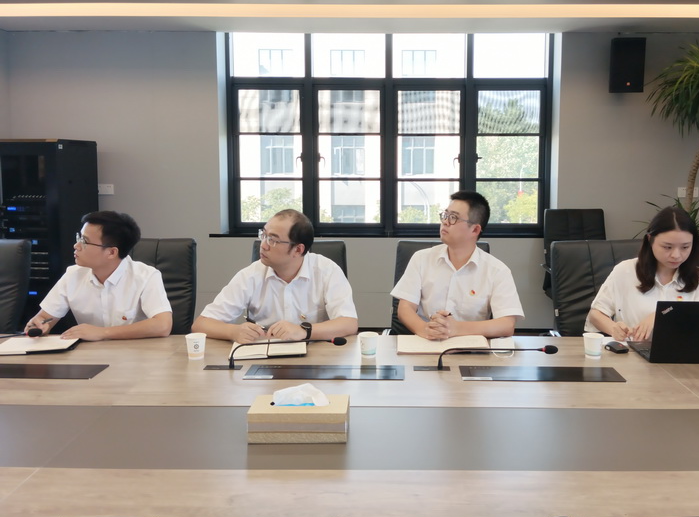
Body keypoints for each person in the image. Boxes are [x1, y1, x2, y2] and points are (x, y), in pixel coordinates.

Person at [193, 209, 358, 344]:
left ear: (298, 250)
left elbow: (349, 323)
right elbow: (201, 324)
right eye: (264, 235)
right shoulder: (250, 275)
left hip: (317, 357)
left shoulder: (327, 270)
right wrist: (233, 331)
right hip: (264, 358)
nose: (263, 245)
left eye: (272, 240)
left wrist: (303, 331)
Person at [391, 190, 524, 339]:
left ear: (475, 229)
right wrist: (425, 329)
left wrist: (455, 328)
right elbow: (405, 308)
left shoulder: (497, 271)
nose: (445, 222)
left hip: (471, 348)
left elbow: (507, 324)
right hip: (426, 343)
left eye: (453, 217)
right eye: (445, 215)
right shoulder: (421, 258)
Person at [24, 211, 173, 340]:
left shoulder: (146, 276)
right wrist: (38, 324)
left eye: (84, 241)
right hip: (90, 358)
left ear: (111, 252)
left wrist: (102, 333)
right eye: (79, 238)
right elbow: (45, 317)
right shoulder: (73, 275)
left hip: (137, 356)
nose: (76, 246)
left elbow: (163, 325)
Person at [585, 205, 699, 341]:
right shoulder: (625, 271)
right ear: (650, 240)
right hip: (632, 350)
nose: (676, 255)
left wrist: (660, 315)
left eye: (685, 247)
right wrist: (614, 328)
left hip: (681, 351)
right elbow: (596, 314)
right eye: (667, 247)